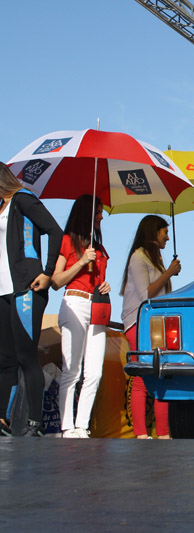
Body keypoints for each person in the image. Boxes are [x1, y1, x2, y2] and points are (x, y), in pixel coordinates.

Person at [0, 162, 63, 437]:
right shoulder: (1, 206)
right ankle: (3, 420)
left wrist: (47, 273)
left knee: (27, 357)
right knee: (5, 360)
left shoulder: (23, 199)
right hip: (2, 291)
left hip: (26, 289)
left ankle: (35, 423)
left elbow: (55, 231)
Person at [50, 195, 110, 439]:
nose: (101, 216)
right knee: (72, 369)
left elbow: (98, 277)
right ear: (86, 213)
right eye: (98, 212)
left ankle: (82, 426)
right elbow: (56, 280)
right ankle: (67, 427)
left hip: (97, 305)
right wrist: (82, 261)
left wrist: (104, 285)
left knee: (94, 372)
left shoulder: (100, 247)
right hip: (74, 301)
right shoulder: (67, 241)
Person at [121, 215, 181, 439]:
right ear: (153, 233)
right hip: (138, 322)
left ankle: (163, 434)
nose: (167, 237)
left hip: (156, 324)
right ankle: (141, 434)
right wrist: (168, 273)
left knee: (162, 376)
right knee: (141, 377)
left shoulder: (156, 258)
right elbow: (146, 294)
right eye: (164, 232)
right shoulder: (138, 257)